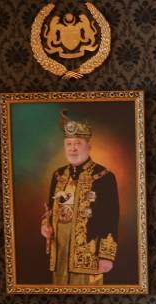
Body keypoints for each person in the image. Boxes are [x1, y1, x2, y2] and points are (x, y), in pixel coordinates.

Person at [40, 110, 119, 284]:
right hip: (59, 254)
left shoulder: (104, 176)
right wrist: (45, 227)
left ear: (88, 146)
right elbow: (49, 211)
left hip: (88, 255)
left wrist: (107, 256)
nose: (73, 148)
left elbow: (111, 217)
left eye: (78, 143)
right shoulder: (58, 175)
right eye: (69, 144)